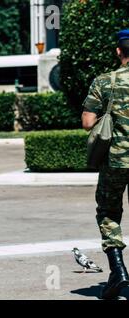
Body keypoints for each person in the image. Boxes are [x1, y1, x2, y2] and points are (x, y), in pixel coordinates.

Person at [82, 29, 129, 299]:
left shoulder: (105, 81)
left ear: (119, 51)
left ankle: (119, 272)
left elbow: (88, 122)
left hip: (116, 161)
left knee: (109, 212)